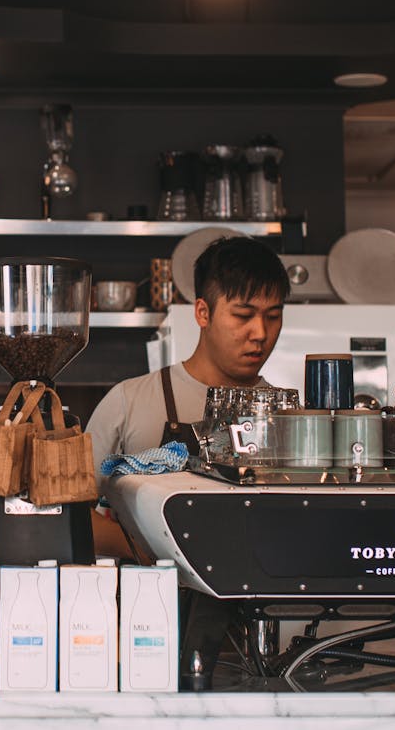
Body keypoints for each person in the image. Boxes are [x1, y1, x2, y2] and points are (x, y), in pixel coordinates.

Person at [87, 235, 289, 556]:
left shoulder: (291, 417)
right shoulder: (129, 401)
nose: (261, 333)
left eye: (273, 316)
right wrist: (147, 551)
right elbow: (72, 514)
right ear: (202, 313)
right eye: (243, 315)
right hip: (153, 597)